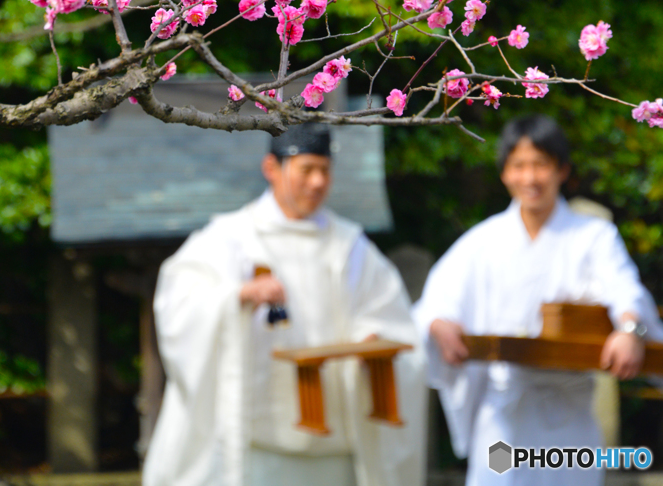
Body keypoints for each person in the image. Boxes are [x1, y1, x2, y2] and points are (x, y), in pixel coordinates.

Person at [144, 123, 427, 486]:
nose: (317, 182)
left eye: (324, 171)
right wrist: (237, 296)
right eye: (306, 170)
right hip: (261, 448)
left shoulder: (351, 246)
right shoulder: (231, 238)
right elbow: (179, 305)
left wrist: (371, 338)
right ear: (271, 169)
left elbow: (392, 320)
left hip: (336, 448)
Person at [412, 114, 663, 485]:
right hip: (504, 414)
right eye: (519, 165)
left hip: (569, 413)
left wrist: (629, 329)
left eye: (541, 165)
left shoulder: (594, 236)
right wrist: (438, 324)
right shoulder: (482, 242)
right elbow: (433, 304)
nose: (530, 178)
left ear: (561, 169)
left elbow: (624, 287)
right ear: (504, 173)